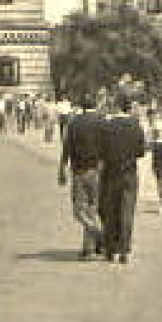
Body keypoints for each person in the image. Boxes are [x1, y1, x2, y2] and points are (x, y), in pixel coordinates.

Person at [97, 94, 148, 264]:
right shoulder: (135, 125)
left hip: (111, 172)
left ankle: (110, 249)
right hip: (129, 172)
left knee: (111, 211)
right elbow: (141, 151)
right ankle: (124, 249)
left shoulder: (107, 126)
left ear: (117, 106)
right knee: (127, 211)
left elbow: (101, 151)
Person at [57, 94, 105, 259]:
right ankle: (89, 248)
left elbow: (66, 147)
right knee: (92, 209)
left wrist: (62, 168)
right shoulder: (101, 122)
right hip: (97, 170)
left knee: (79, 211)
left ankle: (100, 235)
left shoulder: (74, 123)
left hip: (79, 171)